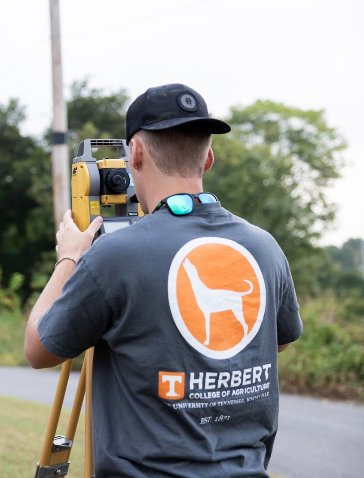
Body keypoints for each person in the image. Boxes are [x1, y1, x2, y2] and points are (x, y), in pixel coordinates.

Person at [25, 84, 303, 477]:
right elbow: (279, 338)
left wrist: (69, 257)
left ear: (134, 153)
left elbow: (39, 350)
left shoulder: (115, 257)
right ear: (208, 157)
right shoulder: (265, 247)